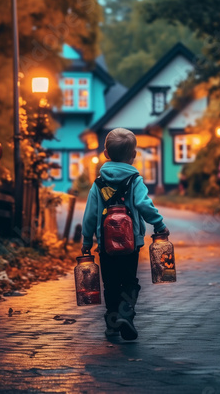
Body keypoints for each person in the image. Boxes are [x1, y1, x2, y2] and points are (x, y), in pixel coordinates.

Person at [81, 128, 169, 341]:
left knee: (110, 283)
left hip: (105, 244)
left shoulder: (99, 182)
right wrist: (159, 225)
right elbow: (143, 204)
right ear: (134, 155)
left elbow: (90, 214)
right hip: (131, 243)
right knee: (129, 280)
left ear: (106, 154)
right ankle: (126, 313)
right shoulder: (135, 180)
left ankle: (112, 325)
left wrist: (86, 240)